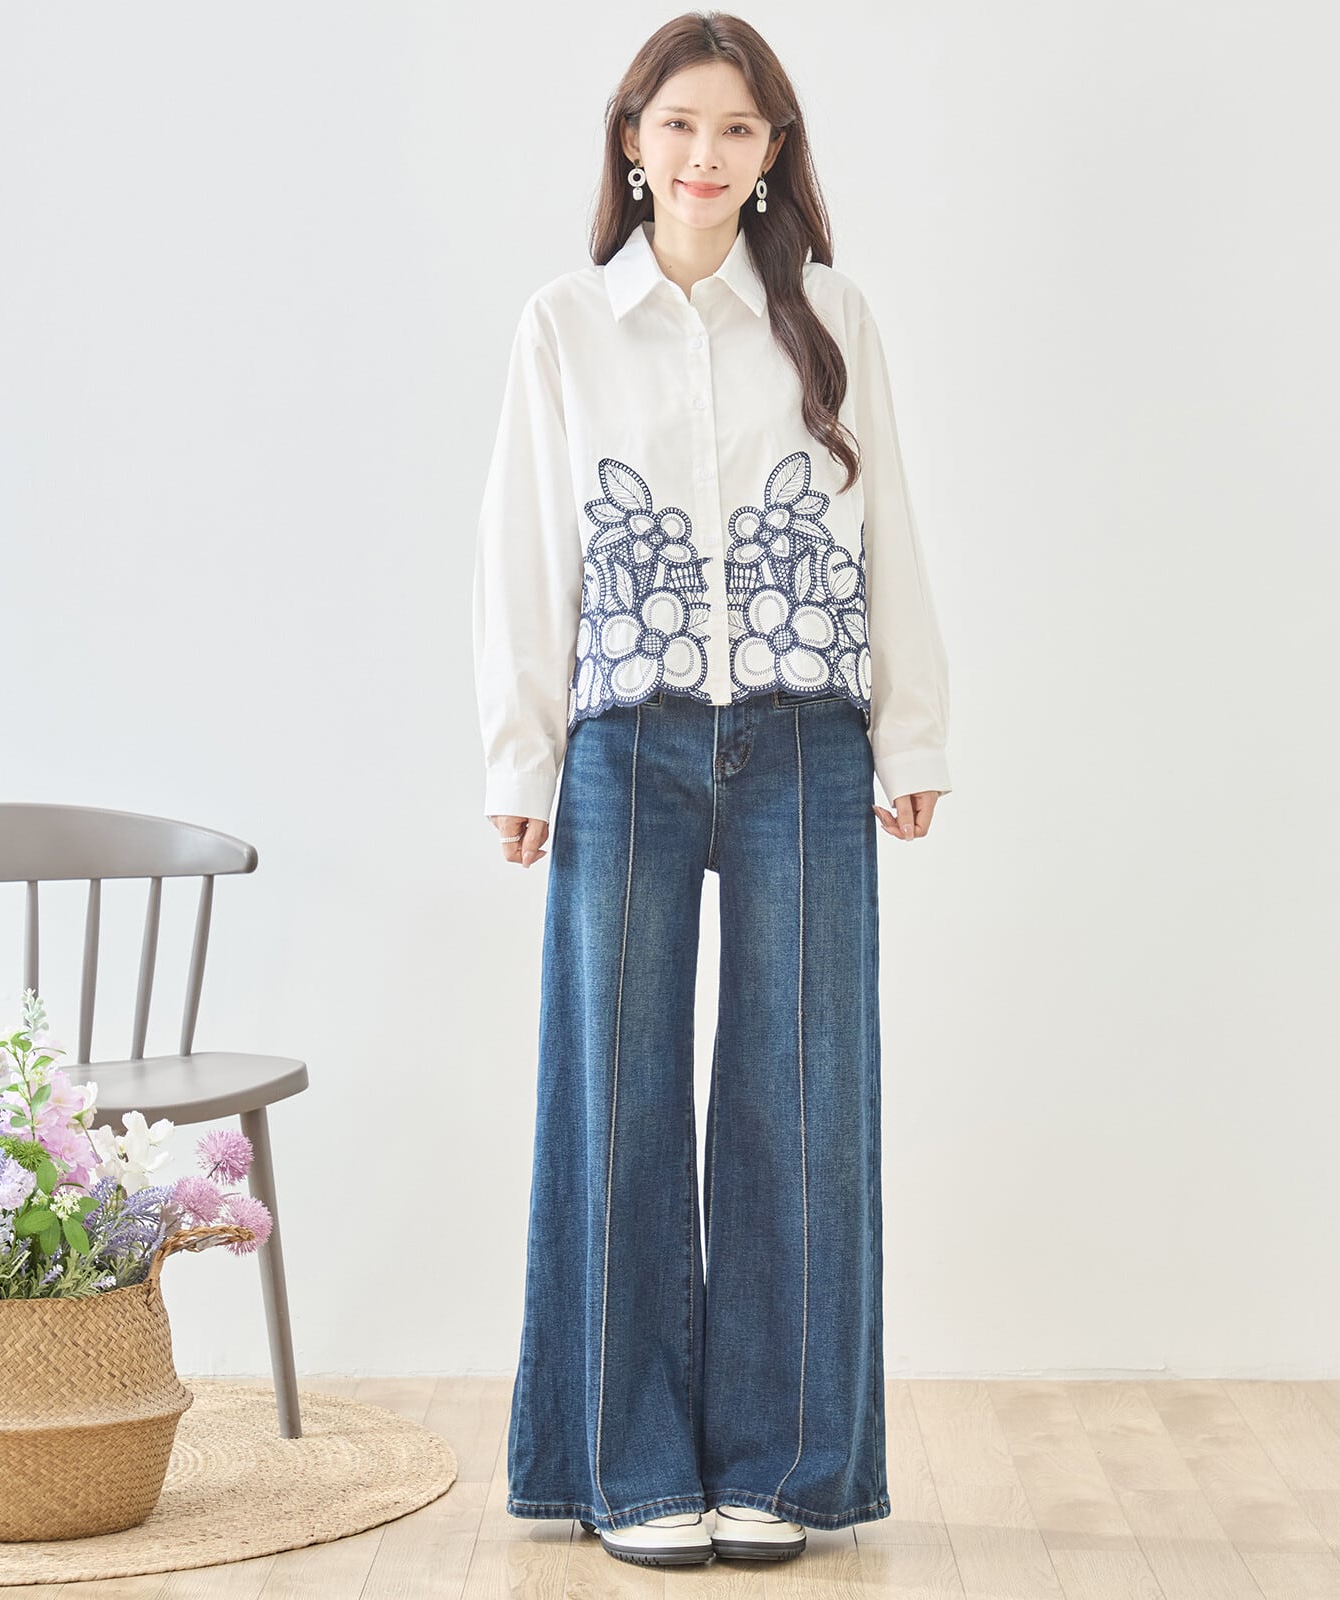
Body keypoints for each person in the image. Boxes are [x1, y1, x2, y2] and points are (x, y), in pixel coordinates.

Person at [471, 10, 951, 1571]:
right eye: (679, 123)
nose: (705, 153)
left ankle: (784, 1465)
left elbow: (889, 527)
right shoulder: (565, 324)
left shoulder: (830, 316)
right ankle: (623, 1466)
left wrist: (911, 733)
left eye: (738, 129)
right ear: (632, 141)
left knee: (800, 1097)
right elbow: (527, 548)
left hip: (807, 738)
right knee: (614, 1095)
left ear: (772, 153)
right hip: (628, 742)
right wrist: (521, 754)